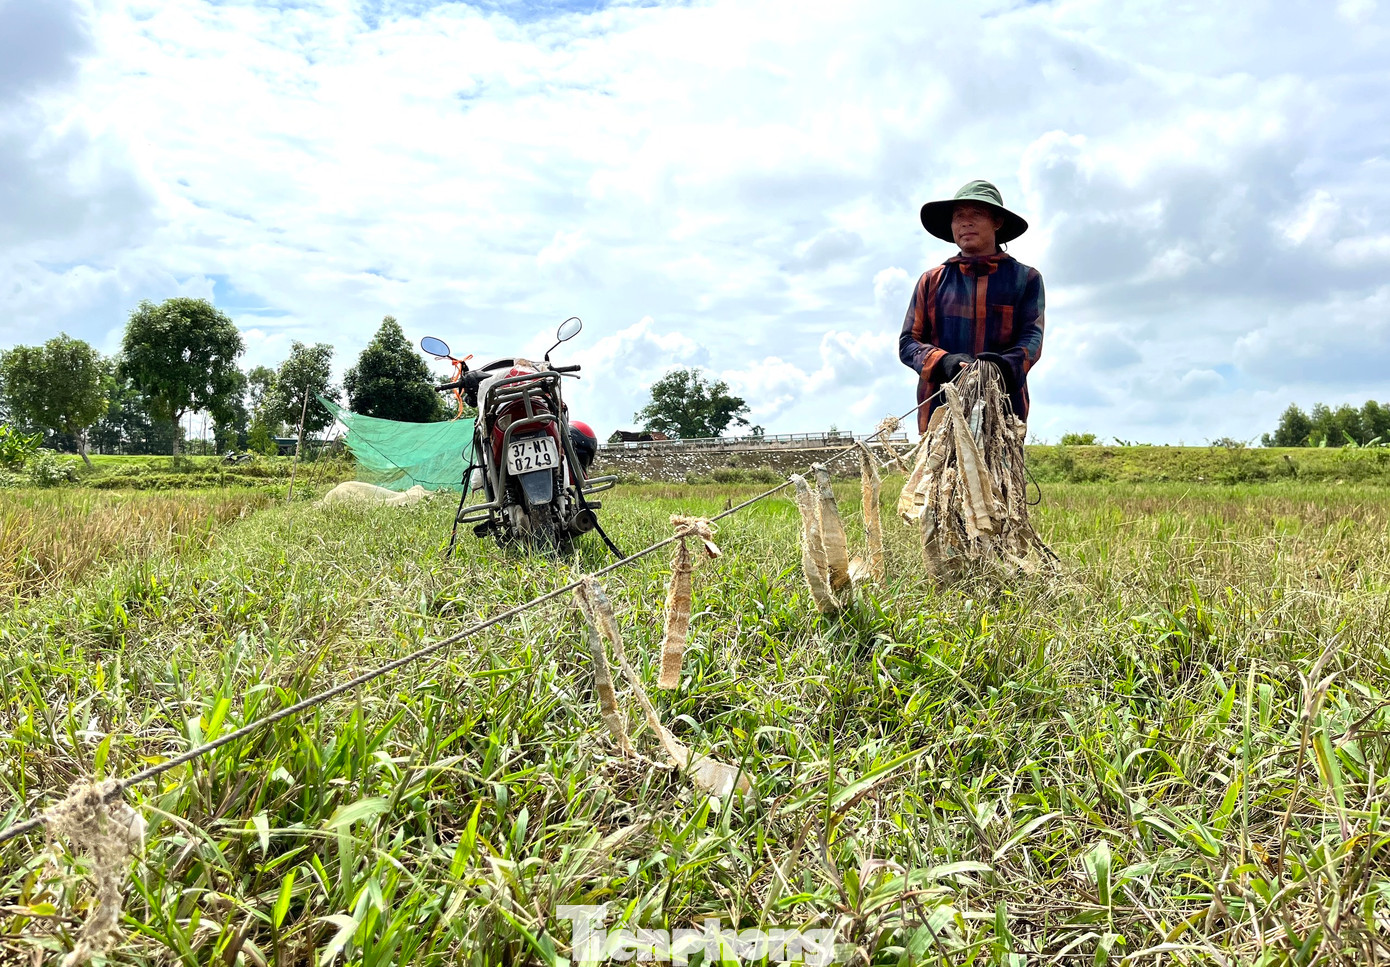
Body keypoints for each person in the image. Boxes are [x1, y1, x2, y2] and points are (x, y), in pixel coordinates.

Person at [898, 180, 1045, 432]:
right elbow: (909, 342)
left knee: (999, 471)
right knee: (940, 471)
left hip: (1003, 413)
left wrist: (1003, 366)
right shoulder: (931, 281)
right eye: (958, 217)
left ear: (996, 221)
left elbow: (1032, 339)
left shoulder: (1026, 279)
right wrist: (944, 362)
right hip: (940, 413)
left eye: (976, 214)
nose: (965, 223)